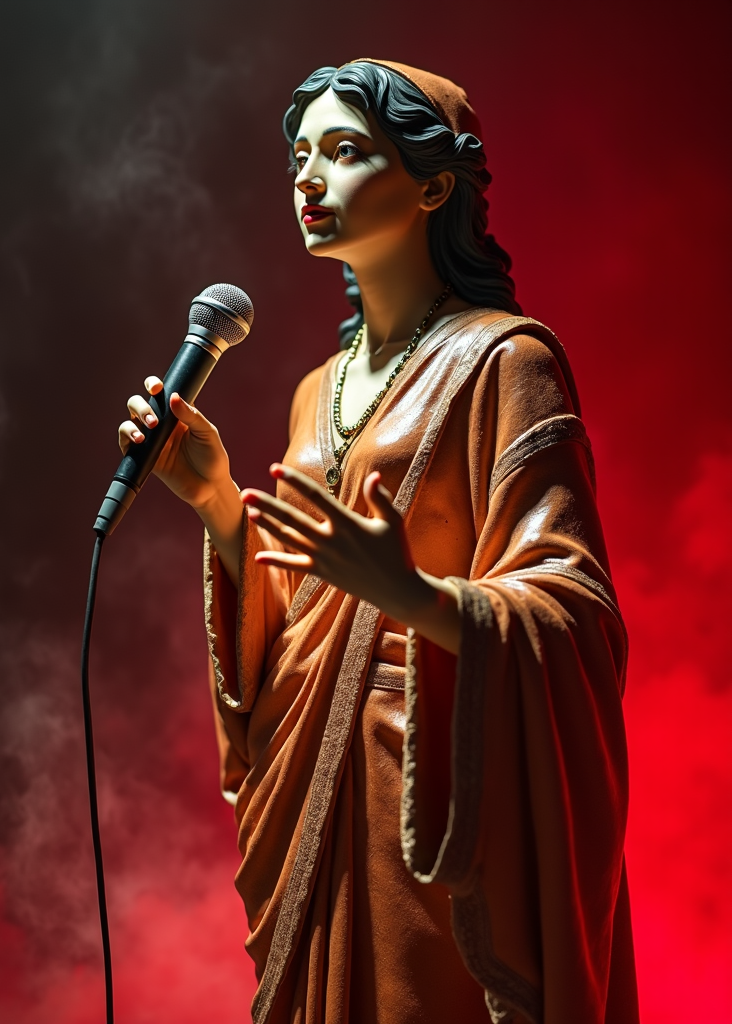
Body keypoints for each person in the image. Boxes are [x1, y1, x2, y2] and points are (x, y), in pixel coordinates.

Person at [118, 60, 639, 1024]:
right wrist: (220, 503)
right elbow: (297, 619)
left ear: (434, 182)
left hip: (434, 794)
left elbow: (574, 610)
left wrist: (417, 599)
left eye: (346, 152)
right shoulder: (317, 388)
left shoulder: (507, 359)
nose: (308, 179)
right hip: (311, 782)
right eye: (300, 157)